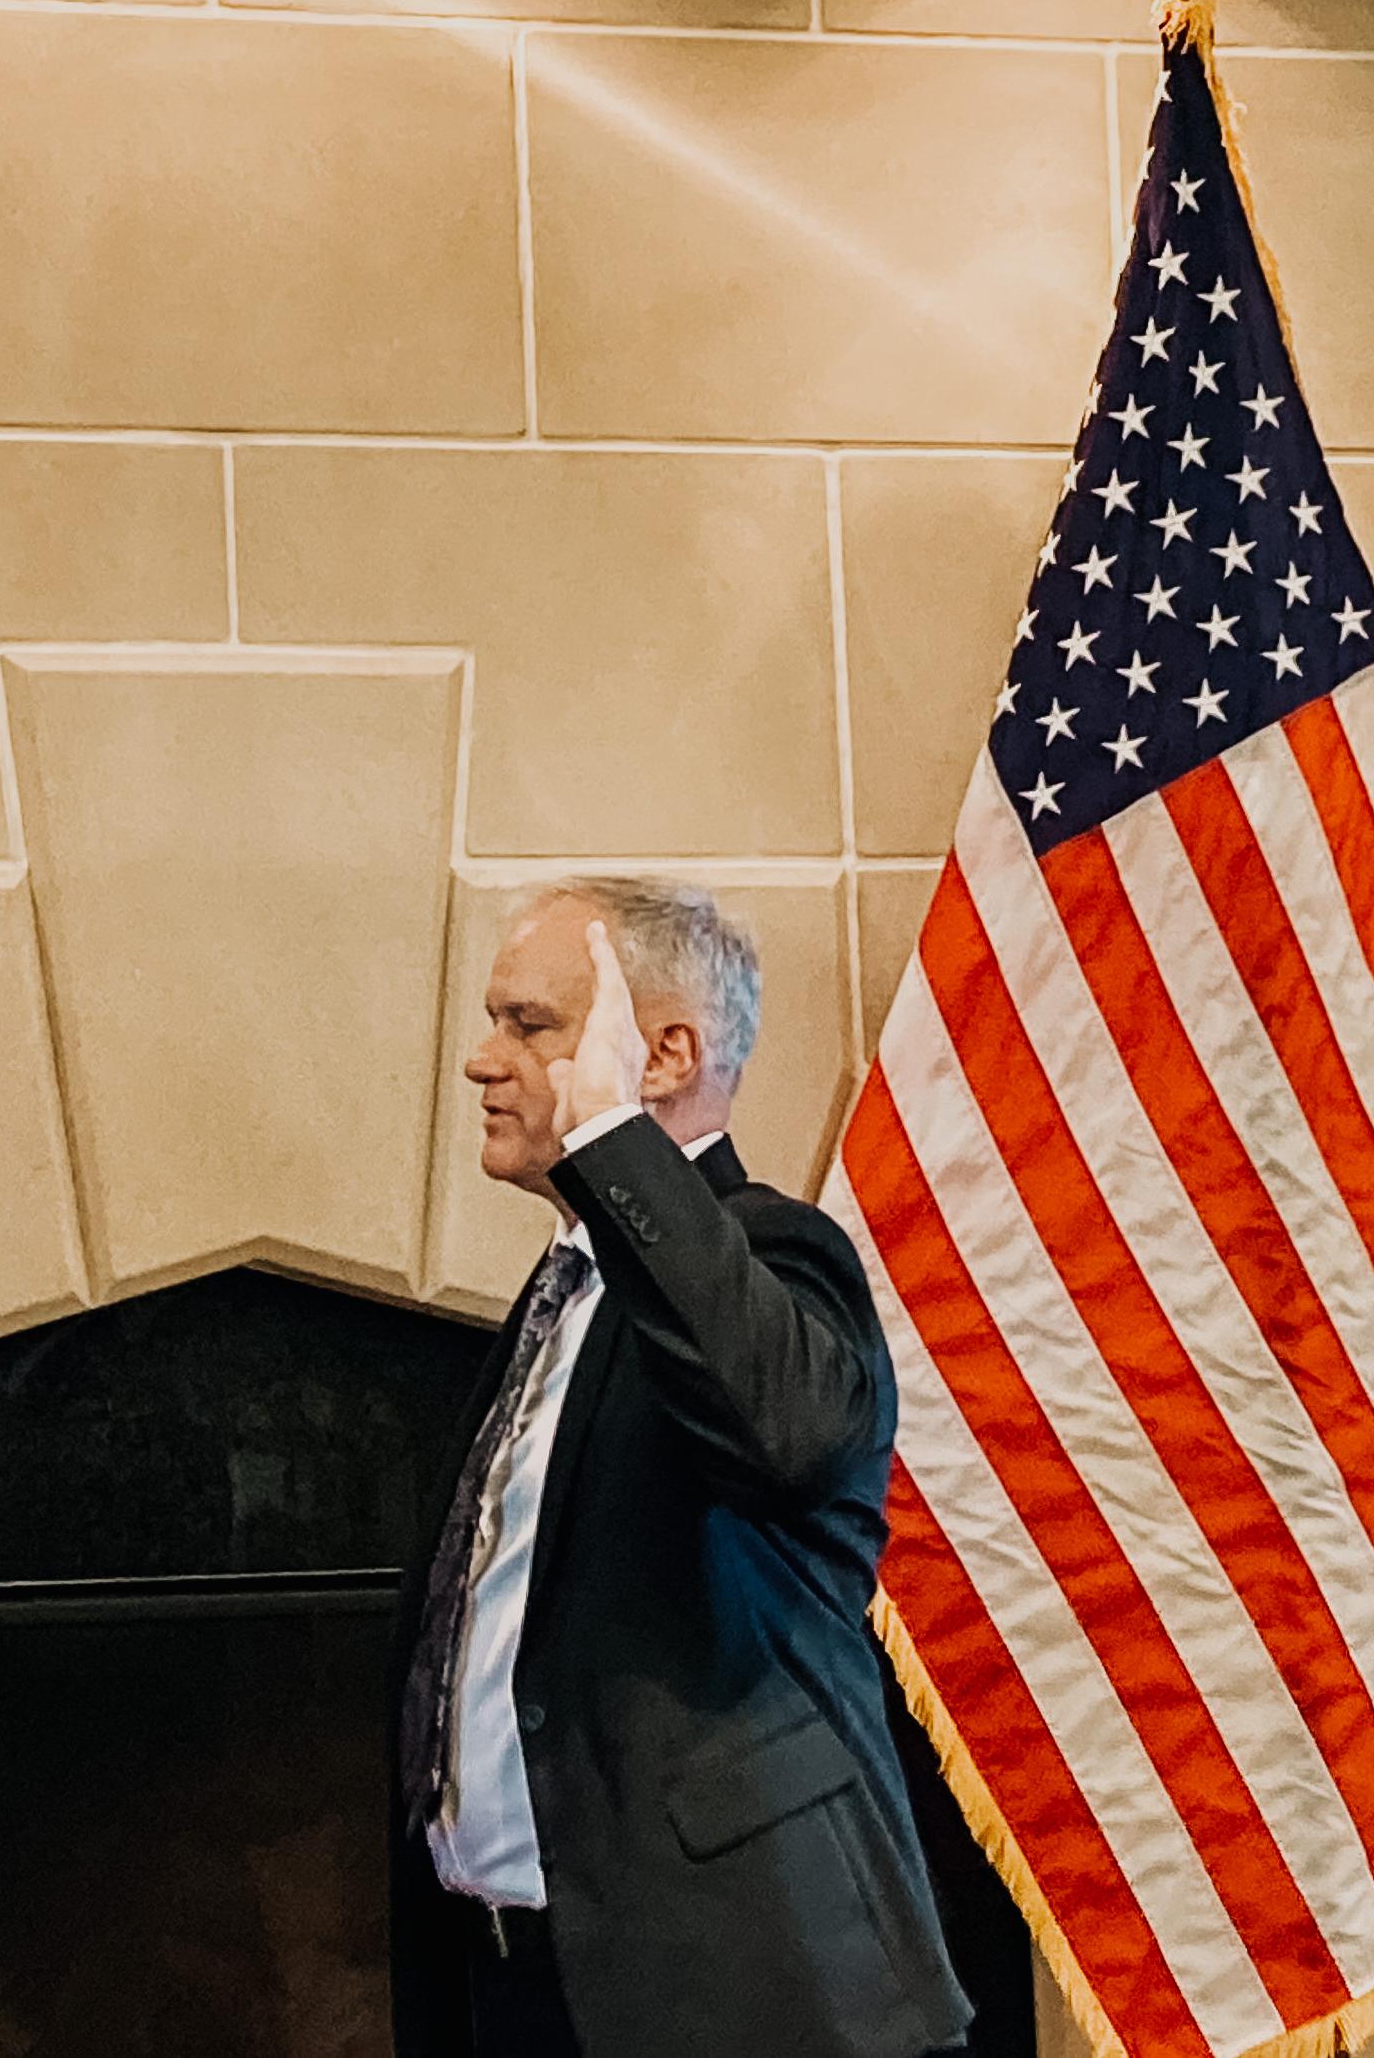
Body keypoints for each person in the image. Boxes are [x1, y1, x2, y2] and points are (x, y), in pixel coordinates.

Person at [390, 877, 971, 2058]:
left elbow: (784, 1434)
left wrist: (611, 1142)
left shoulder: (775, 1256)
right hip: (524, 1981)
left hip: (740, 1991)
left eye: (531, 1024)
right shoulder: (560, 1294)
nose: (480, 1060)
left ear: (661, 1054)